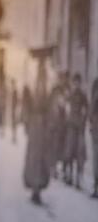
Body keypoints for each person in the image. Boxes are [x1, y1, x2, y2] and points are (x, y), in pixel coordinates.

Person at [23, 59, 50, 205]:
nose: (41, 76)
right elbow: (27, 106)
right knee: (34, 157)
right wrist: (28, 123)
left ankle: (37, 189)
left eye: (43, 72)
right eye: (40, 72)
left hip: (42, 127)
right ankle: (35, 189)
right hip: (35, 126)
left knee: (40, 158)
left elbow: (49, 108)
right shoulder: (32, 88)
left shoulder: (46, 88)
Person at [64, 73, 88, 189]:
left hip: (79, 129)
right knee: (69, 152)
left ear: (80, 83)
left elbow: (86, 110)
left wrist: (83, 121)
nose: (76, 84)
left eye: (78, 82)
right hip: (71, 128)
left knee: (79, 154)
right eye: (75, 82)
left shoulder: (83, 96)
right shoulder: (70, 95)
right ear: (73, 83)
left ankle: (78, 180)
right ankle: (70, 176)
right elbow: (66, 108)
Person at [47, 70, 69, 178]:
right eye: (60, 78)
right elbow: (51, 107)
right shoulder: (55, 90)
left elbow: (66, 107)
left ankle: (62, 170)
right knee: (54, 147)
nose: (62, 80)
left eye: (63, 78)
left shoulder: (66, 90)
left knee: (63, 147)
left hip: (64, 125)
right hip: (55, 124)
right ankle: (53, 169)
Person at [90, 76, 98, 198]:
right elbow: (92, 109)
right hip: (96, 129)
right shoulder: (96, 84)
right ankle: (96, 187)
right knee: (96, 159)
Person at [10, 79, 19, 143]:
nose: (12, 85)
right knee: (13, 124)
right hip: (12, 110)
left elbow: (17, 101)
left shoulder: (15, 91)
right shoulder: (12, 91)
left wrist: (16, 109)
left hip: (14, 110)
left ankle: (14, 137)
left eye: (12, 84)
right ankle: (13, 137)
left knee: (14, 124)